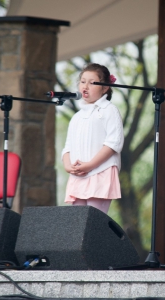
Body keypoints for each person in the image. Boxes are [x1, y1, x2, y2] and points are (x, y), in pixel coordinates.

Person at [62, 63, 124, 214]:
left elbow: (113, 143)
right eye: (83, 81)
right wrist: (67, 165)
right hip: (79, 176)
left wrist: (90, 165)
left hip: (100, 172)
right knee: (78, 224)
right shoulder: (77, 117)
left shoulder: (109, 110)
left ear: (105, 88)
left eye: (92, 82)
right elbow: (68, 146)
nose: (86, 86)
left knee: (93, 223)